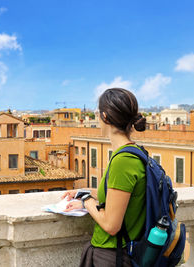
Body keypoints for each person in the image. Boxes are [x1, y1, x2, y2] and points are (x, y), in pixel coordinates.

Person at [63, 88, 147, 267]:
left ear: (105, 117)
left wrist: (86, 202)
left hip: (113, 255)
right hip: (116, 252)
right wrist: (83, 192)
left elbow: (111, 225)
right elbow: (119, 194)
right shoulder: (135, 152)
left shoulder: (123, 161)